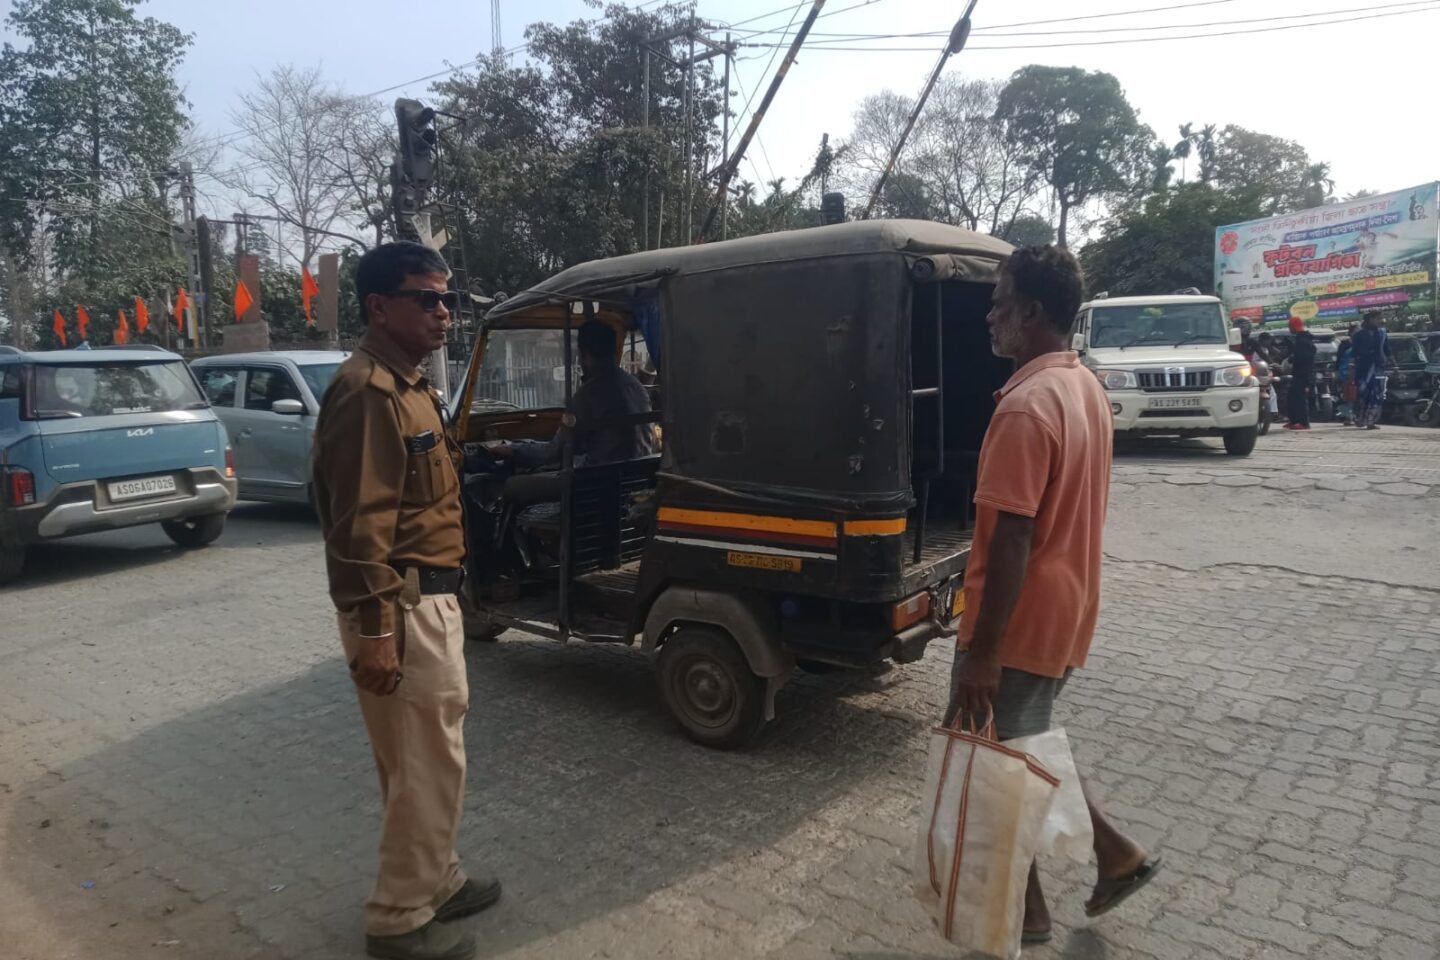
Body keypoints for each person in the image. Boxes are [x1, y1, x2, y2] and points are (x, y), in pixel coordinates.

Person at [944, 246, 1160, 945]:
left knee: (998, 767)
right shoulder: (1082, 387)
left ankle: (1054, 896)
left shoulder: (1027, 408)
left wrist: (983, 652)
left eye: (1000, 299)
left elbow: (1012, 540)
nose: (990, 314)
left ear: (1032, 312)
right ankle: (1093, 872)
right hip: (1064, 614)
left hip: (1020, 627)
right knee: (1020, 755)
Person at [313, 241, 499, 960]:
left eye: (447, 298)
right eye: (427, 298)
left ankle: (437, 877)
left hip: (430, 604)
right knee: (424, 764)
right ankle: (397, 918)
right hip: (402, 608)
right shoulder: (368, 391)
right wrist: (376, 631)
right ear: (379, 307)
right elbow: (361, 524)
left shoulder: (412, 385)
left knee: (425, 760)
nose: (443, 311)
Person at [490, 318, 656, 468]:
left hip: (601, 483)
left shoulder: (588, 395)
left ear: (585, 353)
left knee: (514, 489)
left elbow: (553, 452)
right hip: (638, 476)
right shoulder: (636, 387)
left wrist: (513, 449)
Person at [1351, 311, 1393, 430]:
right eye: (1377, 318)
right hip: (1363, 370)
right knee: (1363, 394)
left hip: (1378, 369)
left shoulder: (1382, 333)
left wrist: (1393, 364)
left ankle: (1371, 421)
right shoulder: (1359, 335)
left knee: (1377, 394)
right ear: (1369, 320)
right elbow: (1354, 353)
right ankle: (1360, 419)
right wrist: (1352, 369)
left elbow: (1387, 349)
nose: (1380, 321)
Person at [1283, 316, 1315, 430]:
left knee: (1300, 398)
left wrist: (1292, 359)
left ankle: (1303, 422)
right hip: (1298, 373)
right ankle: (1294, 420)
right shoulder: (1300, 339)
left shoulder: (1303, 341)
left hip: (1303, 374)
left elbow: (1302, 359)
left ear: (1293, 326)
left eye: (1289, 326)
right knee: (1292, 397)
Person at [1336, 323, 1360, 426]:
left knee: (1359, 395)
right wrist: (1336, 372)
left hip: (1359, 372)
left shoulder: (1362, 344)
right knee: (1348, 395)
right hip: (1346, 373)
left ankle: (1358, 416)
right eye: (1356, 331)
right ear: (1350, 332)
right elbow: (1339, 359)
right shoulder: (1345, 344)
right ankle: (1348, 417)